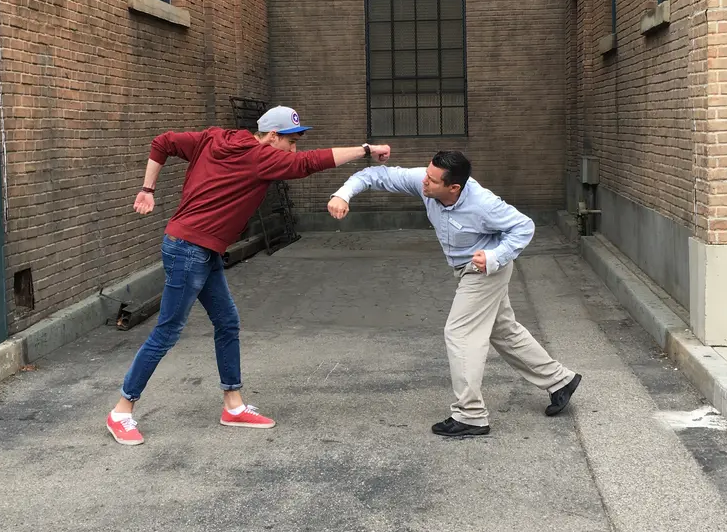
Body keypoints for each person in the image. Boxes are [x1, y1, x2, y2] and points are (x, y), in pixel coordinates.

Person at [106, 106, 391, 446]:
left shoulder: (215, 138)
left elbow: (162, 142)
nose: (293, 150)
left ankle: (233, 406)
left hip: (200, 249)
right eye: (291, 142)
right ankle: (121, 411)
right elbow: (308, 164)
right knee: (167, 332)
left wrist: (148, 189)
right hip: (189, 251)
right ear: (272, 136)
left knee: (227, 323)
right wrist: (365, 150)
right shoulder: (261, 157)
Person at [327, 151, 580, 438]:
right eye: (426, 174)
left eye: (433, 180)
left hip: (484, 271)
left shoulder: (483, 204)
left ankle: (470, 415)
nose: (424, 182)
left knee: (460, 333)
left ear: (454, 187)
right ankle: (560, 380)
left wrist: (495, 256)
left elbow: (524, 227)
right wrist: (343, 194)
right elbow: (375, 175)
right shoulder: (424, 182)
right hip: (465, 269)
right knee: (503, 331)